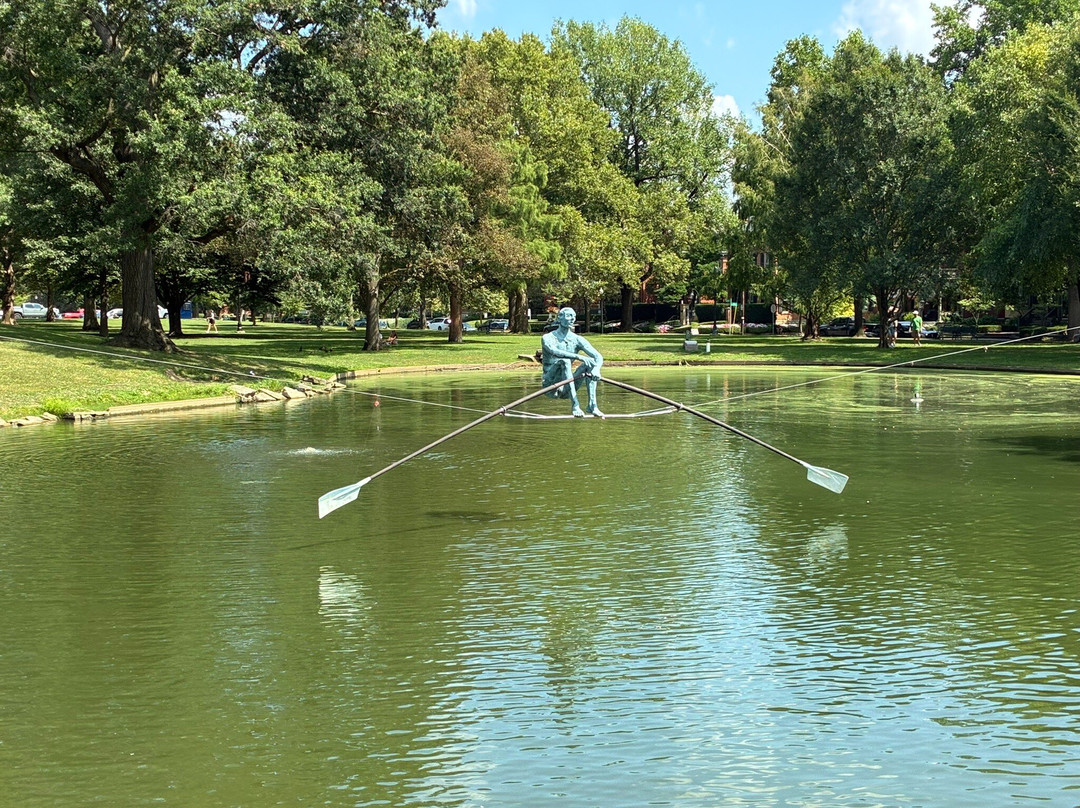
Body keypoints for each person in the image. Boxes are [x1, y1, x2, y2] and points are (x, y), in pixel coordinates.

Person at [541, 307, 604, 417]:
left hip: (567, 389)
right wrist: (579, 357)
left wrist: (596, 370)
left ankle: (592, 406)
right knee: (565, 362)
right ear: (559, 318)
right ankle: (575, 405)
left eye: (574, 317)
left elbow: (598, 356)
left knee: (590, 364)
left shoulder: (577, 339)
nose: (572, 319)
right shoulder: (547, 337)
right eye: (569, 316)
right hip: (551, 387)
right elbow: (555, 351)